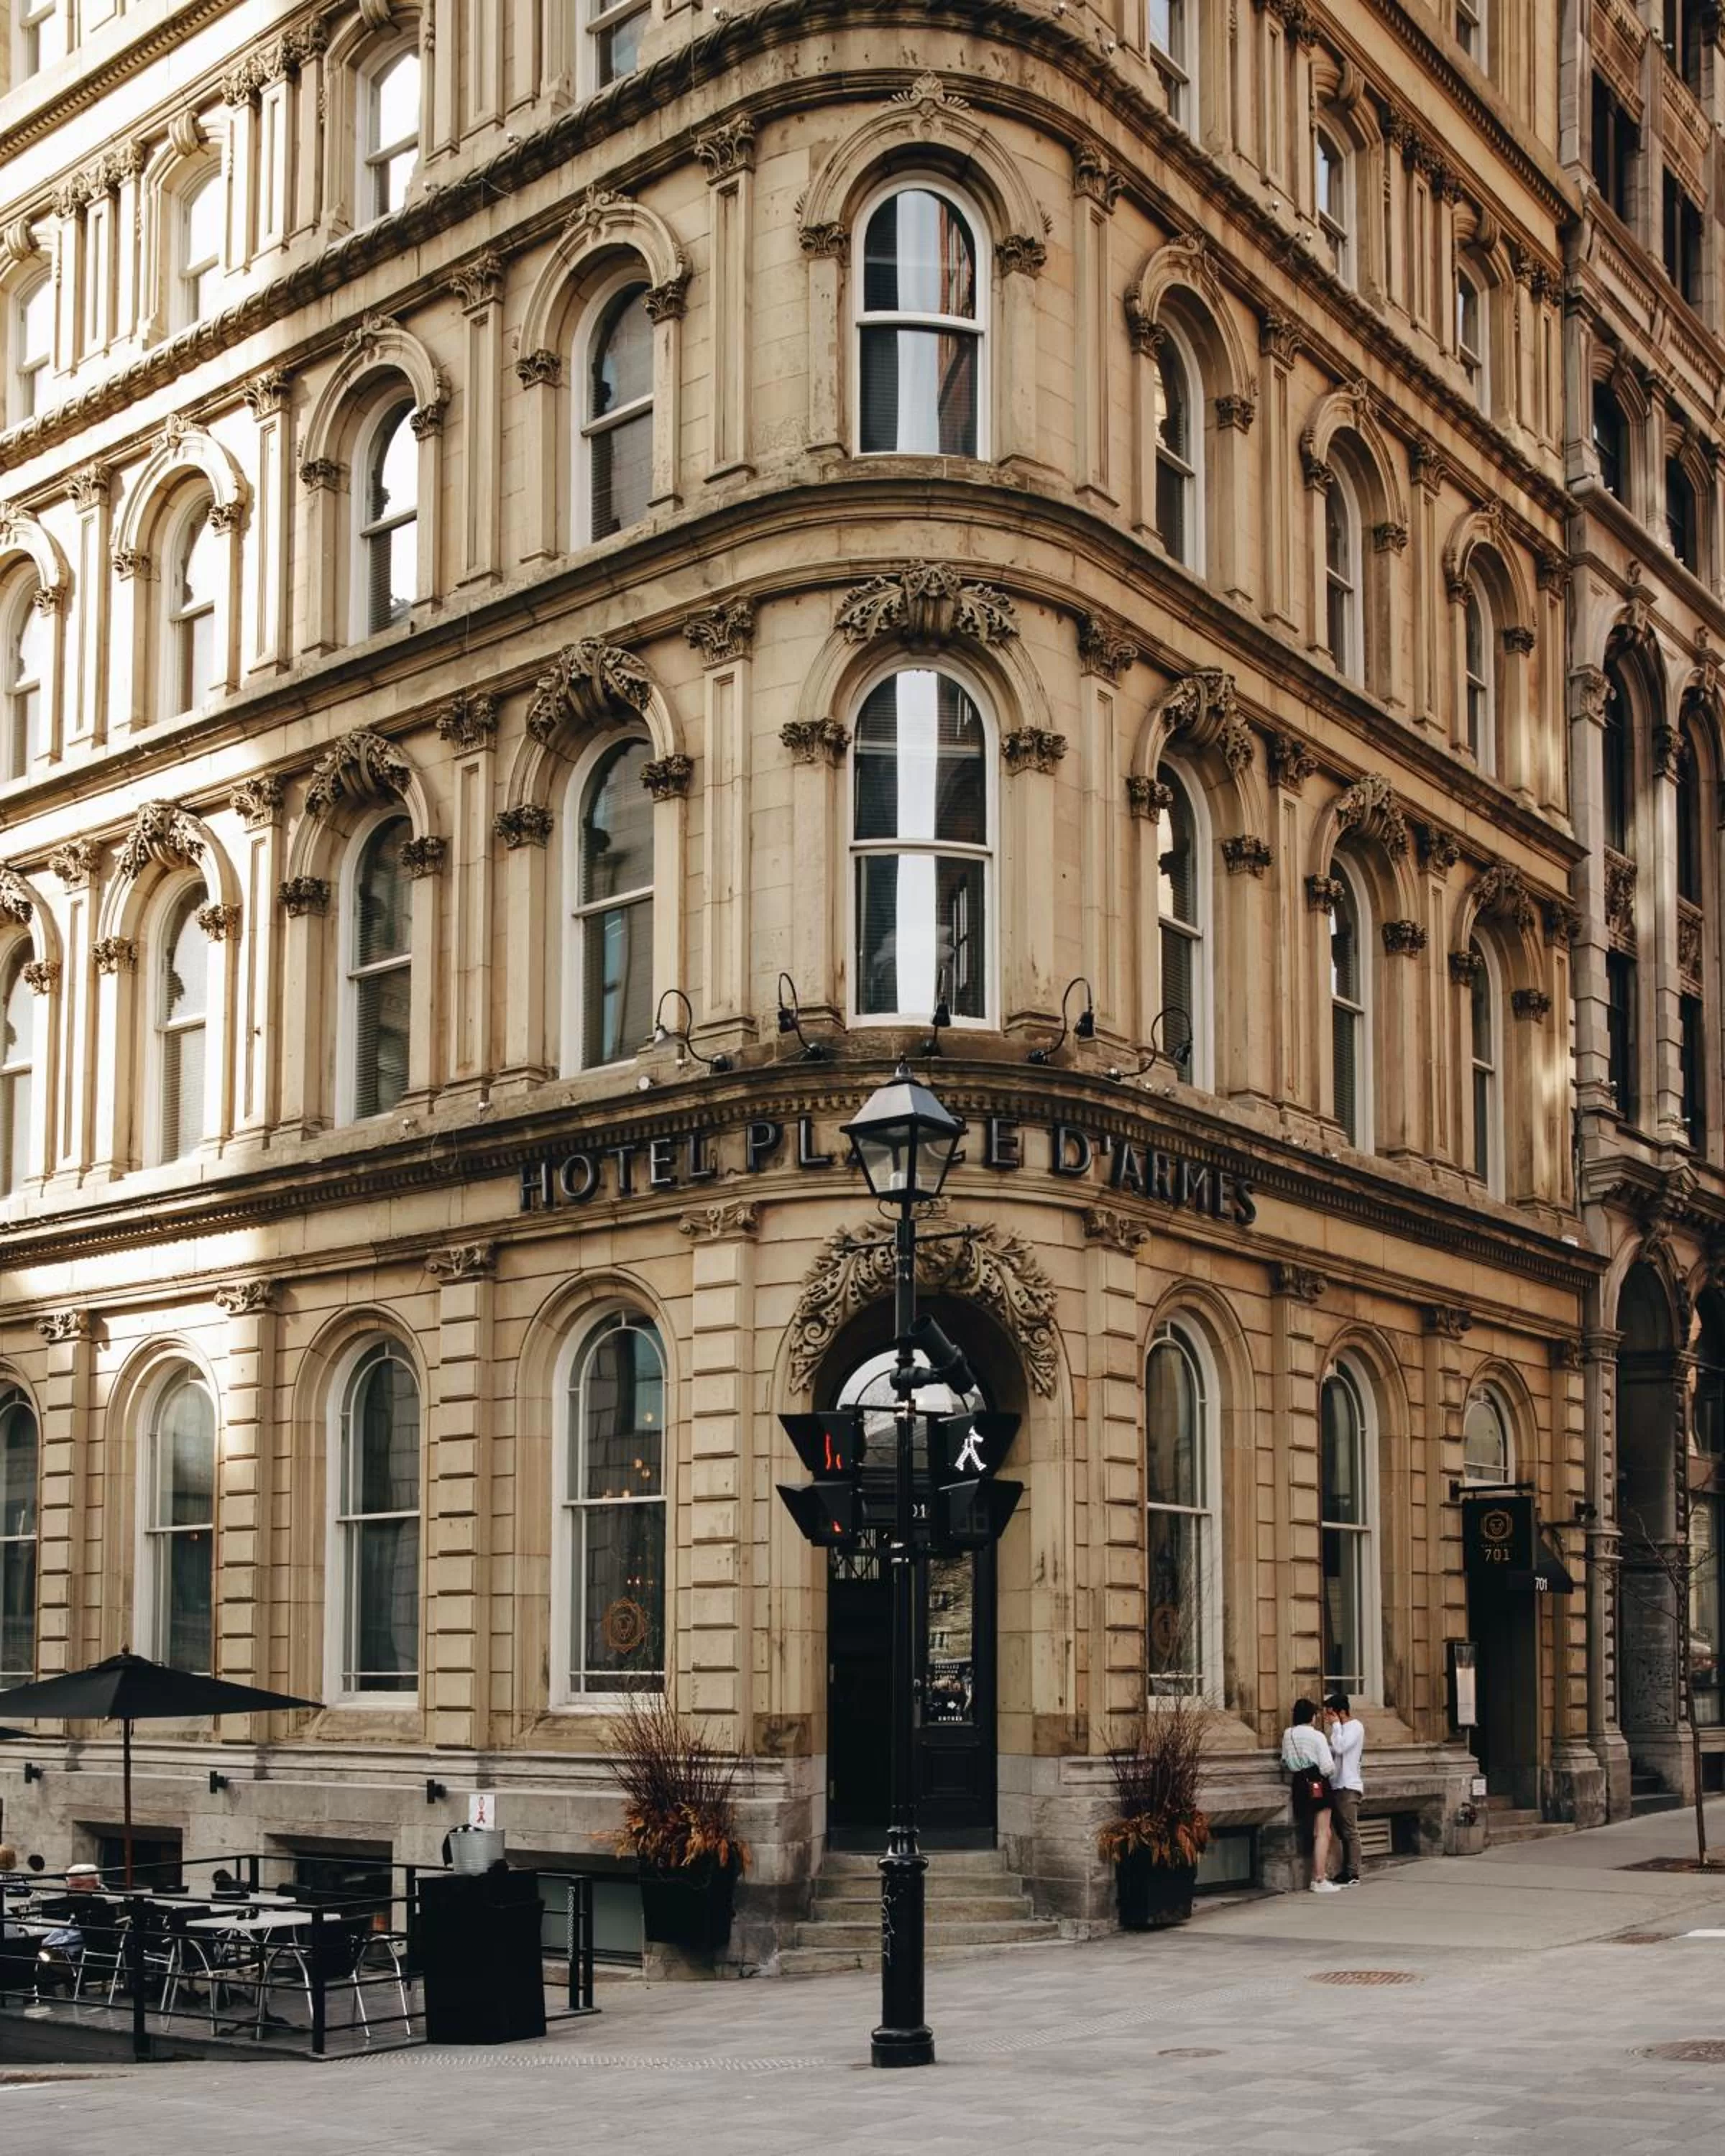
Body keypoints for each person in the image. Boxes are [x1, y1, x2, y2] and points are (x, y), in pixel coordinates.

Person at [1281, 1698, 1340, 1892]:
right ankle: (1319, 1878)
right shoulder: (1317, 1737)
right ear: (1312, 1716)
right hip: (1317, 1781)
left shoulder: (1288, 1734)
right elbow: (1327, 1767)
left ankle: (1317, 1877)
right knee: (1323, 1832)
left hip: (1298, 1782)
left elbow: (1285, 1761)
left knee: (1314, 1830)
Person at [1325, 1689, 1365, 1887]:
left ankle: (1354, 1872)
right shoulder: (1338, 1731)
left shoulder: (1355, 1727)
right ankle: (1345, 1871)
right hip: (1337, 1784)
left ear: (1341, 1712)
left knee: (1350, 1831)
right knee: (1342, 1832)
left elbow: (1341, 1747)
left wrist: (1335, 1727)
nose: (1328, 1718)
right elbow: (1334, 1751)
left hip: (1349, 1786)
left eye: (1331, 1713)